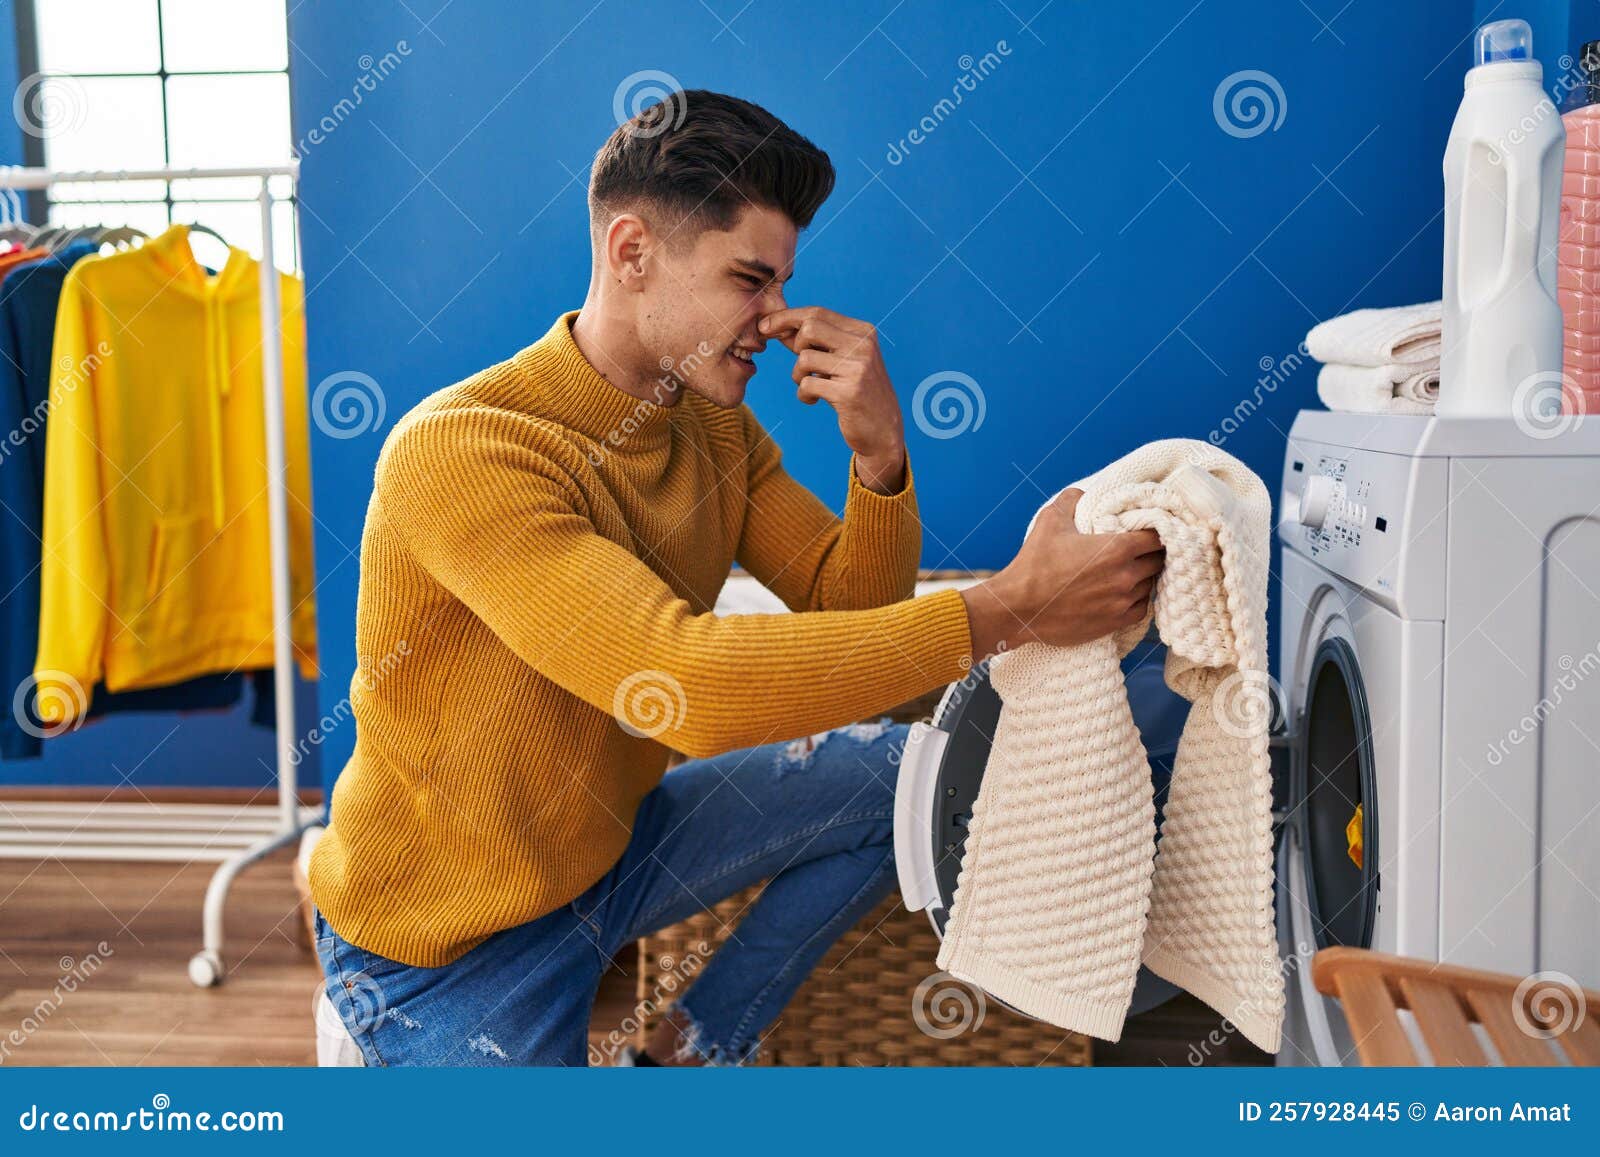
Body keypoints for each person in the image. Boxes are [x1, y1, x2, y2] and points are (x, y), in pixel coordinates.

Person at [308, 89, 1166, 1066]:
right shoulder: (466, 453)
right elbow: (683, 684)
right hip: (446, 953)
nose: (777, 317)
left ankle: (691, 1044)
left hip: (611, 854)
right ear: (630, 253)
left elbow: (855, 616)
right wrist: (1011, 604)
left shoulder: (712, 426)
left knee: (921, 777)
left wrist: (879, 456)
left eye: (781, 282)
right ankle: (366, 1036)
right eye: (748, 279)